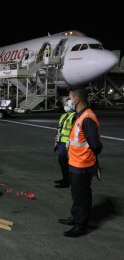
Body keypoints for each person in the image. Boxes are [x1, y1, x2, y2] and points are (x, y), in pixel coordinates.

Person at [59, 87, 103, 238]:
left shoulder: (87, 118)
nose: (69, 101)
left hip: (83, 165)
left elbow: (96, 145)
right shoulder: (80, 115)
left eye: (70, 98)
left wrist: (90, 160)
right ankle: (76, 217)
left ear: (77, 100)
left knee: (82, 195)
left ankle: (81, 225)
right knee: (76, 194)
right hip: (76, 163)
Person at [53, 97, 75, 188]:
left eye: (66, 104)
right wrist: (55, 141)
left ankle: (66, 181)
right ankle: (65, 179)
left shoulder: (74, 116)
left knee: (64, 162)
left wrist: (69, 143)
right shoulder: (64, 115)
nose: (65, 105)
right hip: (60, 142)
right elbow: (59, 129)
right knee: (62, 162)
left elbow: (73, 131)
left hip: (67, 143)